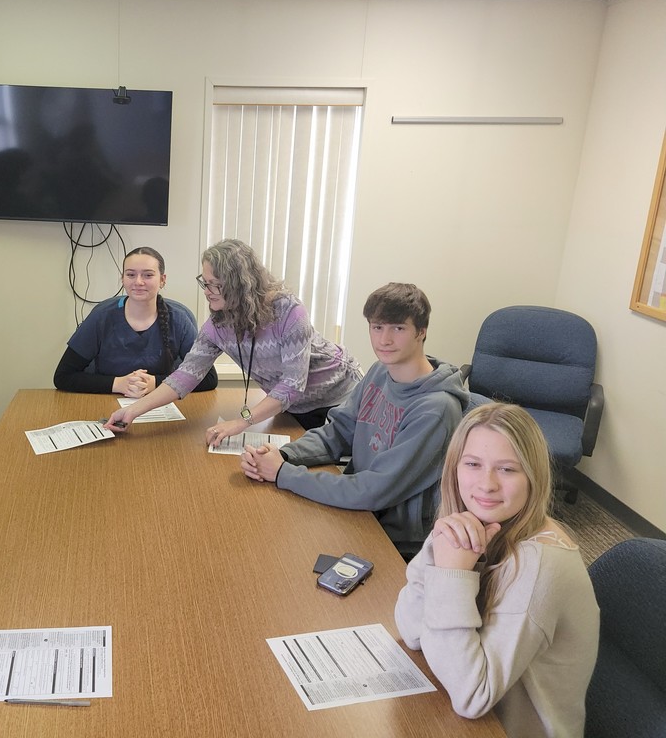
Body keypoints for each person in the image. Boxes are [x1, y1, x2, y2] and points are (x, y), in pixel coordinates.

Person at [393, 402, 598, 737]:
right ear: (454, 469)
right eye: (473, 464)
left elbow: (471, 696)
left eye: (507, 469)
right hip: (473, 710)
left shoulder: (541, 565)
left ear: (533, 477)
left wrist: (451, 576)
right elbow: (410, 629)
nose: (486, 484)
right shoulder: (473, 525)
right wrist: (438, 553)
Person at [239, 283, 468, 553]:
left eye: (398, 328)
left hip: (391, 538)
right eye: (377, 327)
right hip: (357, 511)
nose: (384, 340)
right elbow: (337, 433)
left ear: (421, 331)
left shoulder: (437, 409)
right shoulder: (380, 372)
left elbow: (373, 490)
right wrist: (282, 456)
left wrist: (282, 473)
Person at [105, 239, 361, 441]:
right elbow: (185, 375)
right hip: (292, 408)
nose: (206, 292)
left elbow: (292, 385)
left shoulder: (288, 311)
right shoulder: (218, 324)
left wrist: (241, 423)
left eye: (214, 284)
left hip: (338, 395)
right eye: (204, 283)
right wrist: (134, 411)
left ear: (241, 284)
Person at [53, 246, 217, 397]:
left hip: (160, 405)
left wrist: (155, 383)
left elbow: (208, 378)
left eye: (148, 275)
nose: (138, 282)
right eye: (131, 274)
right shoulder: (101, 317)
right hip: (105, 404)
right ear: (123, 278)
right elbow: (63, 376)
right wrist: (118, 384)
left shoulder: (179, 319)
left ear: (162, 280)